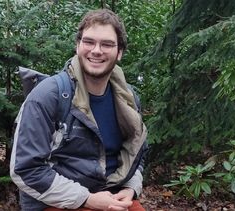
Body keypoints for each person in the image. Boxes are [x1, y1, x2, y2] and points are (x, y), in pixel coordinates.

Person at [10, 9, 148, 211]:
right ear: (78, 46)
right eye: (89, 42)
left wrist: (130, 187)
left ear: (119, 52)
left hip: (111, 197)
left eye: (107, 44)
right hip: (56, 202)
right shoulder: (48, 96)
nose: (96, 50)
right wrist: (87, 199)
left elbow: (137, 152)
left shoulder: (128, 98)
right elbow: (26, 170)